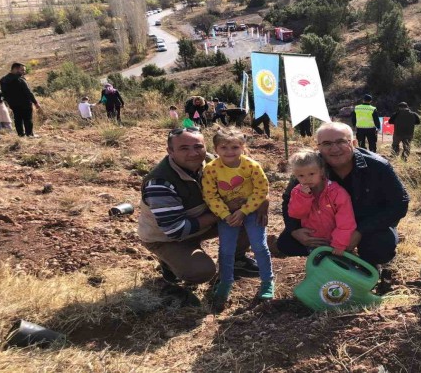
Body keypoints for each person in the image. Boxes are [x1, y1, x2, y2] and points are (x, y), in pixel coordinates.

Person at [137, 127, 266, 303]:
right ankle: (169, 266)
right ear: (170, 151)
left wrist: (263, 201)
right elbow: (175, 230)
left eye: (198, 147)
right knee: (202, 271)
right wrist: (224, 211)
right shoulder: (160, 183)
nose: (193, 153)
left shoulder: (214, 163)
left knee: (250, 217)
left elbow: (255, 183)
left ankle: (237, 259)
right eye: (184, 148)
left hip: (203, 221)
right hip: (168, 238)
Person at [278, 122, 409, 270]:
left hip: (367, 223)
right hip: (326, 223)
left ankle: (372, 264)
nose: (334, 148)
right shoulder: (309, 167)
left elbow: (400, 203)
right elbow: (288, 199)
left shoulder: (378, 166)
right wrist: (294, 229)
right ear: (318, 147)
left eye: (341, 141)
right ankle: (328, 259)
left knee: (379, 245)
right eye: (327, 143)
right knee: (287, 242)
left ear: (353, 143)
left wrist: (360, 231)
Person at [202, 128, 273, 310]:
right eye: (224, 147)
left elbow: (261, 190)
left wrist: (244, 211)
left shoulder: (251, 166)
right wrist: (226, 215)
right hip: (226, 213)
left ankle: (267, 281)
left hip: (251, 210)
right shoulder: (211, 169)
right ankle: (225, 281)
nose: (229, 151)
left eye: (234, 147)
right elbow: (210, 195)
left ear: (242, 147)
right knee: (226, 248)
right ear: (216, 149)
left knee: (259, 245)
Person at [287, 150, 357, 256]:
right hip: (314, 240)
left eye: (311, 174)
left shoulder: (337, 192)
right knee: (319, 265)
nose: (307, 179)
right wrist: (303, 197)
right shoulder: (297, 192)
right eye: (301, 176)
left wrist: (339, 243)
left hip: (336, 240)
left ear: (321, 171)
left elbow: (346, 220)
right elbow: (296, 214)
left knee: (338, 266)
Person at [0, 63, 41, 137]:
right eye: (22, 70)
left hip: (13, 104)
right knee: (27, 119)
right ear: (15, 69)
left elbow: (4, 93)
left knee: (17, 119)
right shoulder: (20, 79)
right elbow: (28, 92)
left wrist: (8, 102)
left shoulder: (3, 80)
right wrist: (35, 102)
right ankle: (29, 134)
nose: (24, 72)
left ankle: (20, 134)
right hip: (25, 103)